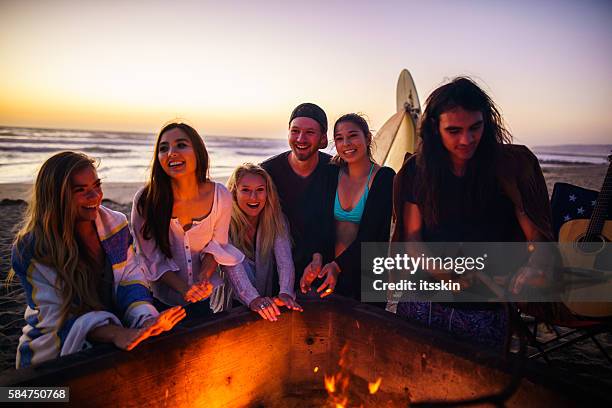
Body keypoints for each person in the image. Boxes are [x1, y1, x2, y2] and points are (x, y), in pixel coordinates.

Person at [393, 77, 554, 349]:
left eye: (475, 128)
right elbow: (412, 239)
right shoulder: (416, 172)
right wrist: (446, 275)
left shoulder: (510, 168)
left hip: (484, 305)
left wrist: (533, 266)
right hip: (424, 298)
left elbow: (535, 237)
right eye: (454, 130)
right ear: (434, 128)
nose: (466, 140)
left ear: (486, 123)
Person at [10, 152, 185, 368]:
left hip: (116, 340)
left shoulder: (115, 225)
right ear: (56, 196)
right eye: (80, 190)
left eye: (96, 185)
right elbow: (59, 314)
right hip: (51, 354)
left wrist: (145, 319)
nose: (95, 196)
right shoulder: (32, 247)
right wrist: (116, 333)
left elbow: (129, 279)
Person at [132, 122, 244, 315]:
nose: (171, 153)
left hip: (202, 298)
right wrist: (185, 289)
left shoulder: (220, 195)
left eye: (181, 145)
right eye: (163, 148)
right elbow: (150, 258)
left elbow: (217, 245)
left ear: (198, 152)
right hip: (159, 303)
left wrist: (203, 276)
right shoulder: (146, 200)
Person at [300, 114, 395, 300]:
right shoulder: (330, 174)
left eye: (352, 136)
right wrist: (317, 257)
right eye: (339, 139)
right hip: (328, 272)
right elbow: (318, 223)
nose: (346, 143)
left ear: (367, 138)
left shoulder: (384, 178)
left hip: (366, 276)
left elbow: (373, 234)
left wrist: (339, 265)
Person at [217, 163, 302, 321]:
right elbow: (233, 267)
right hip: (231, 302)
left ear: (267, 192)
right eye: (246, 190)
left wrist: (285, 293)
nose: (253, 197)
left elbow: (285, 261)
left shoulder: (276, 219)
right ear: (234, 192)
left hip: (264, 298)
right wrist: (253, 299)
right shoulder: (224, 221)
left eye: (260, 190)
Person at [261, 103, 331, 276]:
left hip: (325, 265)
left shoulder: (335, 171)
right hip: (277, 268)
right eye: (295, 131)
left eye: (310, 132)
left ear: (323, 138)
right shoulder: (267, 172)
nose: (300, 138)